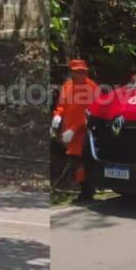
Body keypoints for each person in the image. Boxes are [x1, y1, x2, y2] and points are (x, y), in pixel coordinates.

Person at [53, 59, 100, 202]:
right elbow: (62, 105)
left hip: (83, 133)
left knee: (83, 162)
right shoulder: (67, 86)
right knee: (75, 162)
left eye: (83, 71)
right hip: (69, 134)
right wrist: (57, 116)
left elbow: (89, 113)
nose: (80, 74)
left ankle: (87, 193)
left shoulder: (92, 88)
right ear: (72, 72)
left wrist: (74, 129)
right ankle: (83, 192)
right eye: (77, 71)